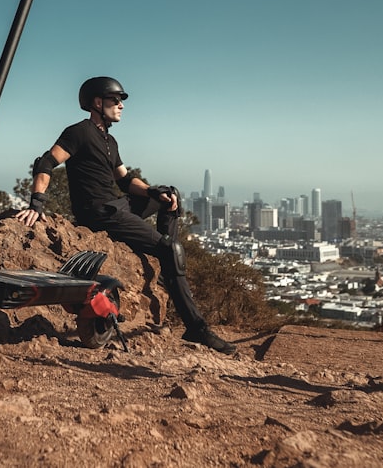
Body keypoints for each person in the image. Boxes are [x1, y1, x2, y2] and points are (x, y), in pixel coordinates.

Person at [15, 76, 235, 354]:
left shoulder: (110, 140)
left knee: (171, 195)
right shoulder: (78, 132)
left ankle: (167, 261)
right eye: (115, 100)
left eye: (120, 101)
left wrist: (155, 192)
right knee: (171, 249)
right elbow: (47, 161)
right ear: (97, 102)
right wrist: (37, 204)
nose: (121, 106)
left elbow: (125, 180)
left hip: (117, 203)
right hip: (100, 214)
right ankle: (196, 328)